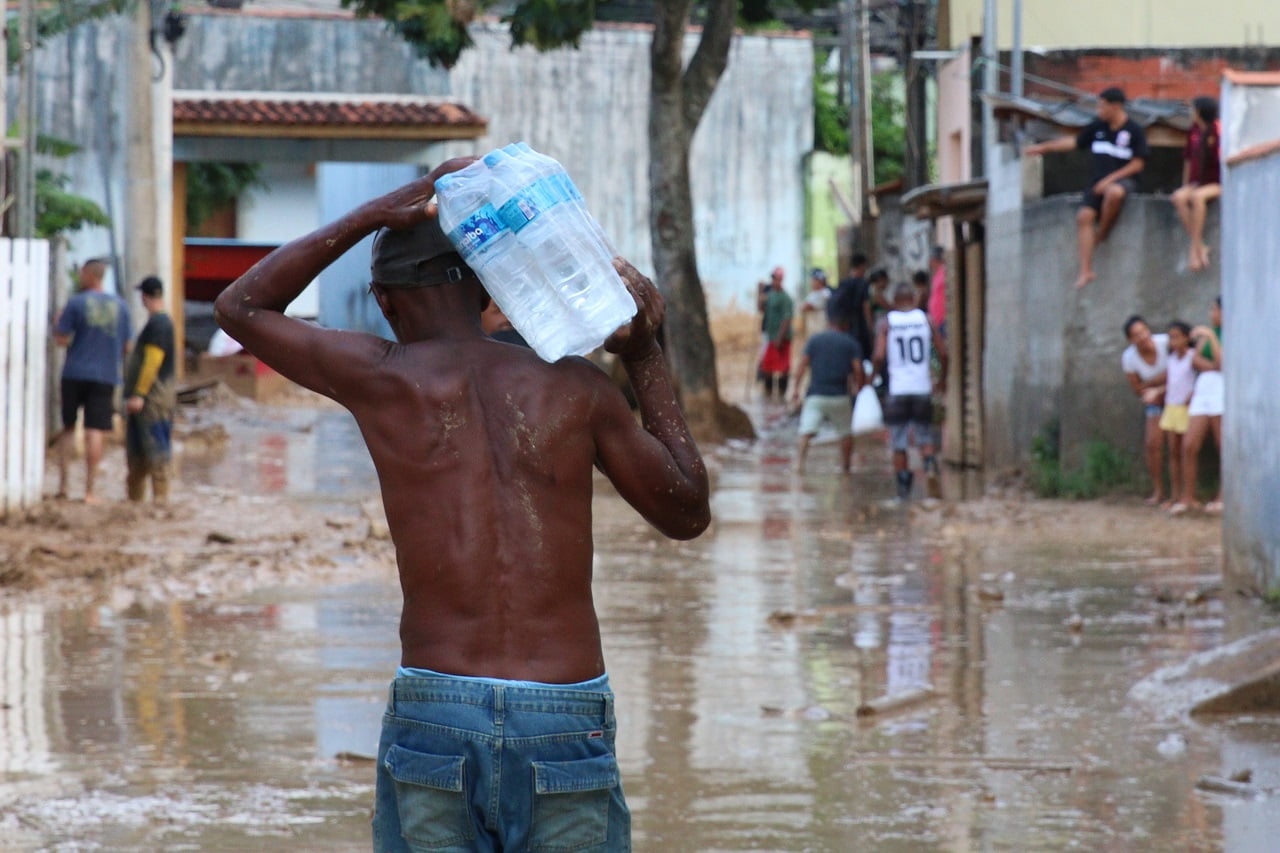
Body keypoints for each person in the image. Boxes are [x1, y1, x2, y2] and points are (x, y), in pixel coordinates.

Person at [213, 158, 710, 852]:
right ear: (486, 287)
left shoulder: (384, 377)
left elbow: (239, 308)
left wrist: (372, 212)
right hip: (564, 712)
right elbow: (688, 510)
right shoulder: (576, 388)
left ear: (385, 301)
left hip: (436, 706)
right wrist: (645, 350)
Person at [1025, 87, 1149, 290]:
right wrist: (1045, 147)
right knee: (1083, 216)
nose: (1099, 109)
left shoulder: (1134, 130)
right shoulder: (1097, 127)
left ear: (1115, 106)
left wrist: (1110, 180)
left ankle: (1103, 232)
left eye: (1102, 105)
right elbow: (1075, 142)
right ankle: (1085, 270)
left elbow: (1137, 164)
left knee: (1114, 193)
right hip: (1097, 181)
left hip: (1122, 181)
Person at [52, 258, 132, 503]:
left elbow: (61, 339)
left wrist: (57, 323)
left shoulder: (76, 303)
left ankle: (64, 486)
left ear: (88, 274)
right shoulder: (121, 307)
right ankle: (90, 491)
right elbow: (128, 346)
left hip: (74, 373)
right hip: (105, 375)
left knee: (68, 428)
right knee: (95, 431)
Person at [872, 283, 947, 500]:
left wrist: (873, 378)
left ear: (895, 302)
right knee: (925, 437)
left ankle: (903, 494)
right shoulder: (927, 320)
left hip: (898, 390)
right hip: (922, 389)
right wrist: (941, 380)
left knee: (899, 442)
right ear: (913, 300)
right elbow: (943, 353)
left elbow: (878, 356)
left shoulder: (888, 323)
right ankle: (931, 474)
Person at [123, 276, 177, 503]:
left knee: (155, 449)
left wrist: (139, 394)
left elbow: (152, 362)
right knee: (139, 453)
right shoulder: (160, 323)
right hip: (152, 397)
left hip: (152, 398)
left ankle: (160, 502)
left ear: (145, 297)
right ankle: (137, 501)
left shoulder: (158, 325)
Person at [789, 316, 865, 472]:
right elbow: (858, 369)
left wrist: (795, 389)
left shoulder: (814, 340)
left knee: (806, 432)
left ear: (829, 323)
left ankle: (798, 465)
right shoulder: (851, 343)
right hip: (840, 396)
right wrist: (859, 388)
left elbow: (802, 365)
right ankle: (845, 467)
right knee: (845, 434)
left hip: (815, 396)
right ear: (845, 325)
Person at [1173, 296, 1224, 516]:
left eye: (1214, 309)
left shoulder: (1229, 332)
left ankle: (1223, 497)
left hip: (1223, 391)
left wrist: (1212, 337)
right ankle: (1188, 498)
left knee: (1223, 446)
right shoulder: (1208, 334)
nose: (1211, 313)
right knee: (1189, 445)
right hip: (1203, 391)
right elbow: (1196, 361)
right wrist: (1212, 365)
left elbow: (1223, 364)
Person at [1121, 315, 1170, 505]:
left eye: (1144, 331)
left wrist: (1152, 384)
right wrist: (1158, 387)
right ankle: (1158, 490)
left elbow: (1177, 372)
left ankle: (1180, 494)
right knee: (1152, 445)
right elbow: (1137, 390)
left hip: (1179, 398)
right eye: (1136, 335)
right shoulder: (1129, 358)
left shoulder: (1166, 343)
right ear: (1130, 340)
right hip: (1155, 402)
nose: (1142, 337)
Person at [1170, 96, 1222, 272]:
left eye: (1193, 109)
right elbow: (1188, 158)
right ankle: (1199, 244)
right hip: (1199, 181)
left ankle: (1194, 249)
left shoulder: (1217, 130)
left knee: (1197, 198)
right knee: (1179, 197)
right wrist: (1186, 184)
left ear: (1200, 112)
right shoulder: (1195, 130)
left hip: (1217, 181)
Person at [1157, 321, 1195, 512]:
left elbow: (1196, 381)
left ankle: (1188, 495)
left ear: (1187, 338)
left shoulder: (1192, 358)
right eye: (1171, 338)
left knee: (1186, 452)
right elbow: (1171, 380)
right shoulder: (1171, 359)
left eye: (1177, 337)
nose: (1173, 341)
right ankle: (1175, 495)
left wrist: (1191, 397)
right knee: (1173, 453)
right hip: (1171, 407)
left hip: (1185, 409)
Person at [759, 266, 794, 400]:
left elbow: (787, 318)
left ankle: (782, 394)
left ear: (781, 280)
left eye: (777, 279)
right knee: (767, 366)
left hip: (782, 338)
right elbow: (761, 309)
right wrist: (760, 292)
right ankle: (768, 393)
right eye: (773, 278)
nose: (775, 281)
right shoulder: (770, 295)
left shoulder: (786, 298)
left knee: (783, 367)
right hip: (770, 336)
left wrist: (780, 337)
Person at [828, 252, 872, 358]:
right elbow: (866, 307)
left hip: (846, 326)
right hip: (860, 325)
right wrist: (870, 326)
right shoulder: (863, 284)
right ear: (861, 266)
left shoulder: (843, 283)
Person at [799, 267, 831, 339]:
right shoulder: (813, 294)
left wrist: (804, 306)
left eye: (814, 280)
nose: (812, 282)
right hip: (812, 330)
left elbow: (806, 307)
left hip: (821, 329)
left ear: (821, 281)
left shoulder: (825, 293)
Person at [927, 246, 947, 338]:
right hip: (937, 320)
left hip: (943, 319)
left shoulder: (945, 272)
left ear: (933, 259)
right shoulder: (937, 273)